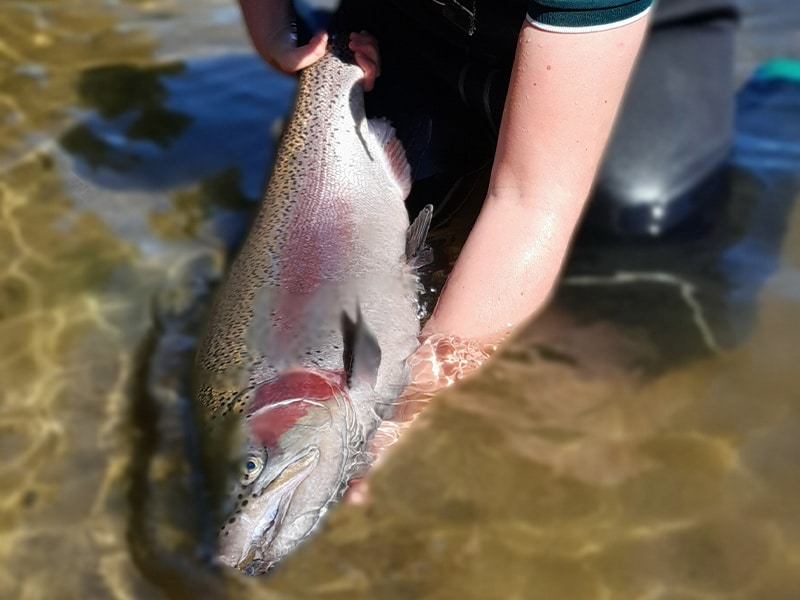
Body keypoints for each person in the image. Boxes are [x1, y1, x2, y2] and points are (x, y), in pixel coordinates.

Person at [237, 0, 738, 387]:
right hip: (414, 24)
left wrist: (408, 408)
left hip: (634, 32)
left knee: (641, 226)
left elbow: (531, 200)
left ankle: (776, 101)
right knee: (386, 233)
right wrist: (278, 35)